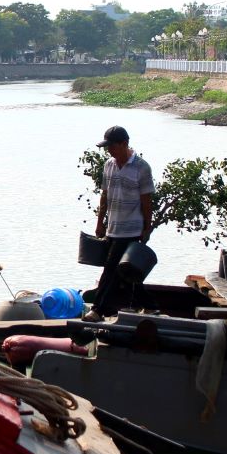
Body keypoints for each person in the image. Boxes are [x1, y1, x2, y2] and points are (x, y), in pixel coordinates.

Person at [82, 126, 155, 322]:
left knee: (111, 268)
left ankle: (98, 310)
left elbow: (147, 200)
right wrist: (100, 222)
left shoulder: (141, 167)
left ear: (124, 144)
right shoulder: (109, 165)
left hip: (132, 228)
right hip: (113, 227)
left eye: (112, 146)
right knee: (127, 270)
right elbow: (105, 196)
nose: (109, 151)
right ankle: (148, 306)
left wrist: (147, 227)